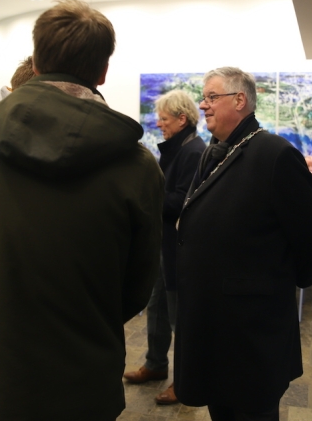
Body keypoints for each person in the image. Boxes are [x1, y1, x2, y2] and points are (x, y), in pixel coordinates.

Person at [0, 0, 164, 421]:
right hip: (85, 374)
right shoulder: (138, 166)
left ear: (36, 61)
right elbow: (138, 283)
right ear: (103, 71)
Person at [174, 67, 312, 421]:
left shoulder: (275, 154)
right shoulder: (214, 152)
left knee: (251, 410)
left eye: (212, 97)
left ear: (239, 100)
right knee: (222, 407)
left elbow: (311, 233)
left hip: (252, 329)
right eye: (203, 97)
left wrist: (283, 281)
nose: (203, 105)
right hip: (215, 322)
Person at [123, 89, 205, 406]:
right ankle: (156, 364)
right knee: (157, 309)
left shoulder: (192, 152)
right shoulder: (179, 149)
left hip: (178, 251)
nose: (159, 124)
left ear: (182, 119)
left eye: (164, 118)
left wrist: (144, 190)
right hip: (164, 246)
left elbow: (181, 203)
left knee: (179, 320)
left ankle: (184, 383)